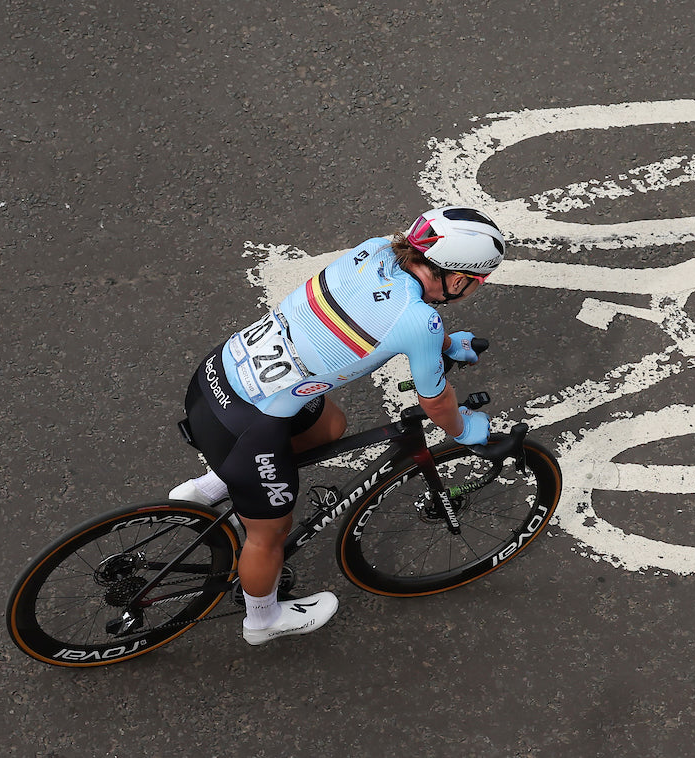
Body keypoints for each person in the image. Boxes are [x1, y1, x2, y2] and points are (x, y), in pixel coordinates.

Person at [171, 207, 506, 645]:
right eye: (475, 283)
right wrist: (465, 432)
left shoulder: (376, 251)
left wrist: (447, 344)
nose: (471, 291)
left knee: (330, 424)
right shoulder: (419, 321)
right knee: (268, 535)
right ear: (458, 279)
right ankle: (263, 620)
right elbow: (436, 400)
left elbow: (409, 318)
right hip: (244, 427)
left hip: (215, 375)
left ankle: (212, 485)